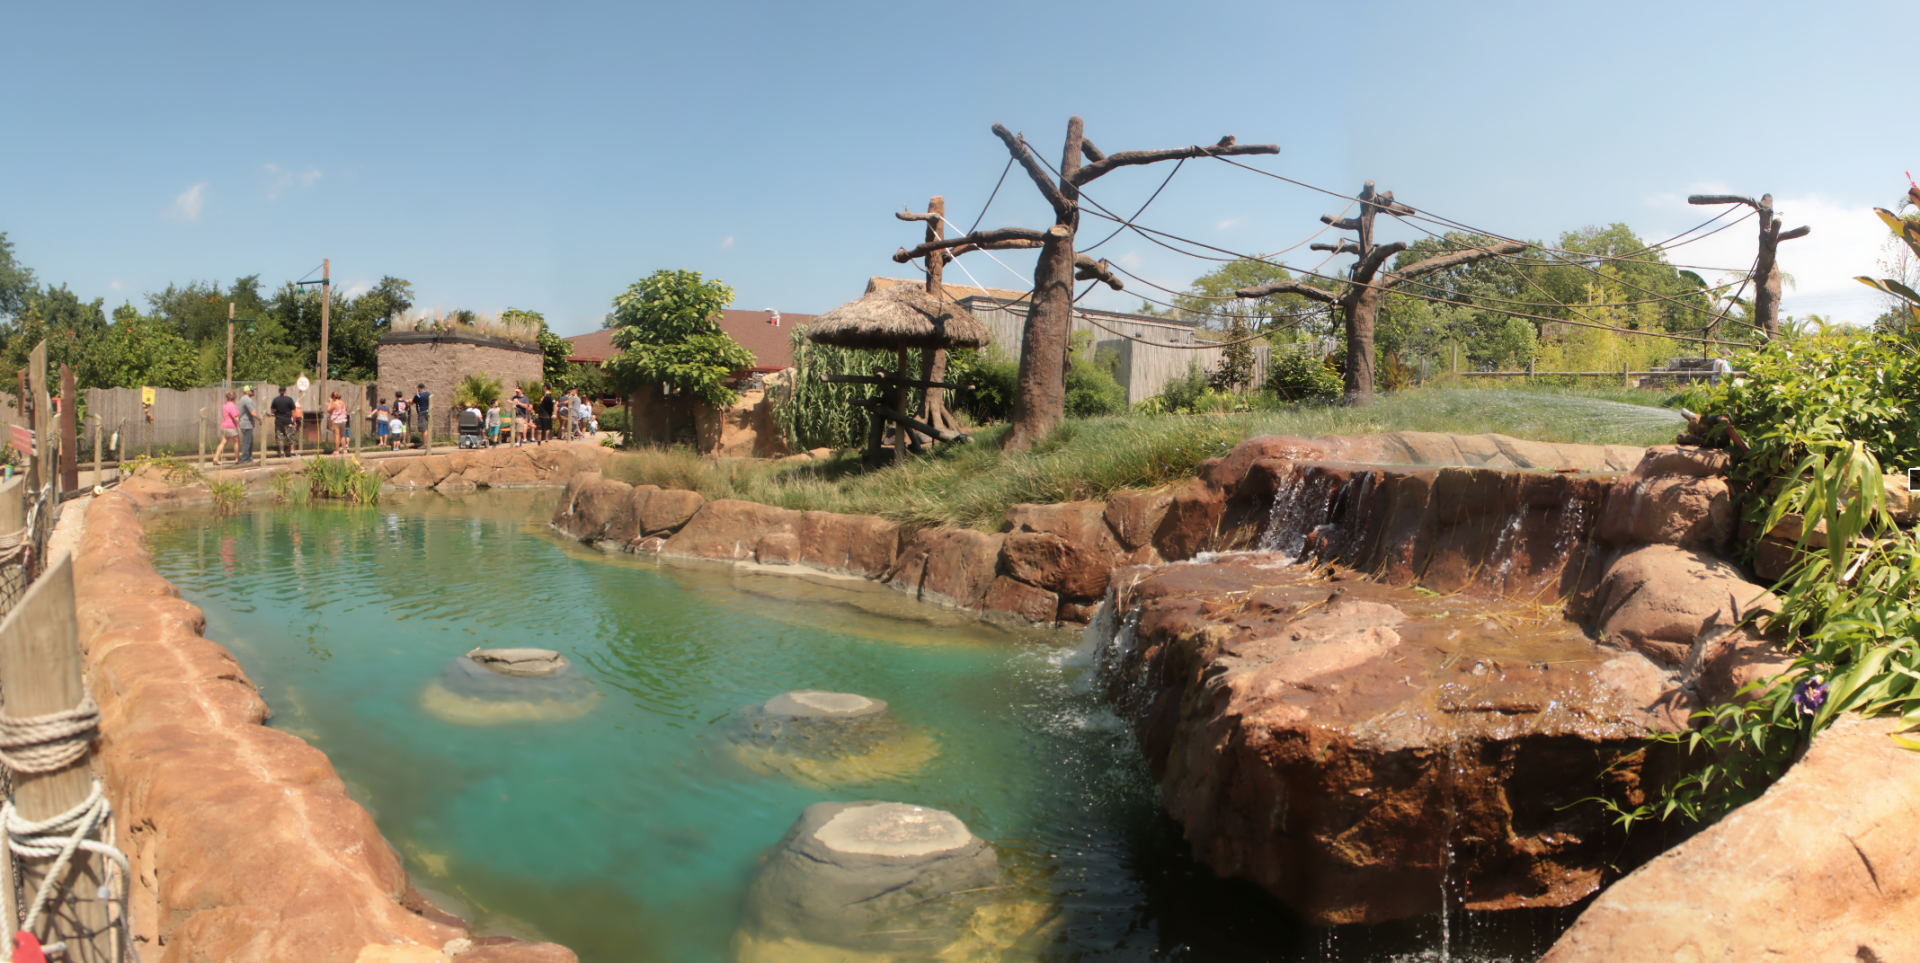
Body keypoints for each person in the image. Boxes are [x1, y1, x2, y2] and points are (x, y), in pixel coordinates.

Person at [269, 386, 297, 457]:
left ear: (279, 392)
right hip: (287, 420)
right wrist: (294, 421)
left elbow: (272, 411)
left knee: (279, 437)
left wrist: (277, 415)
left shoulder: (275, 400)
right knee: (290, 436)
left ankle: (281, 453)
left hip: (278, 421)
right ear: (285, 391)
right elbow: (293, 411)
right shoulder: (289, 399)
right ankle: (292, 452)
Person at [215, 391, 239, 464]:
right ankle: (237, 459)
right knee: (236, 442)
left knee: (223, 442)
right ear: (234, 398)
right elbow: (235, 417)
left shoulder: (225, 405)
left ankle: (215, 458)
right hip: (231, 426)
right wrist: (238, 424)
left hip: (224, 426)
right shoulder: (232, 406)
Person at [237, 386, 259, 464]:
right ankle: (244, 459)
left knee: (249, 441)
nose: (253, 391)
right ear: (246, 392)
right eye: (251, 390)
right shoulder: (247, 400)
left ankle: (249, 458)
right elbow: (252, 412)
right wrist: (260, 419)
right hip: (246, 424)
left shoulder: (243, 399)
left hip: (246, 423)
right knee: (247, 442)